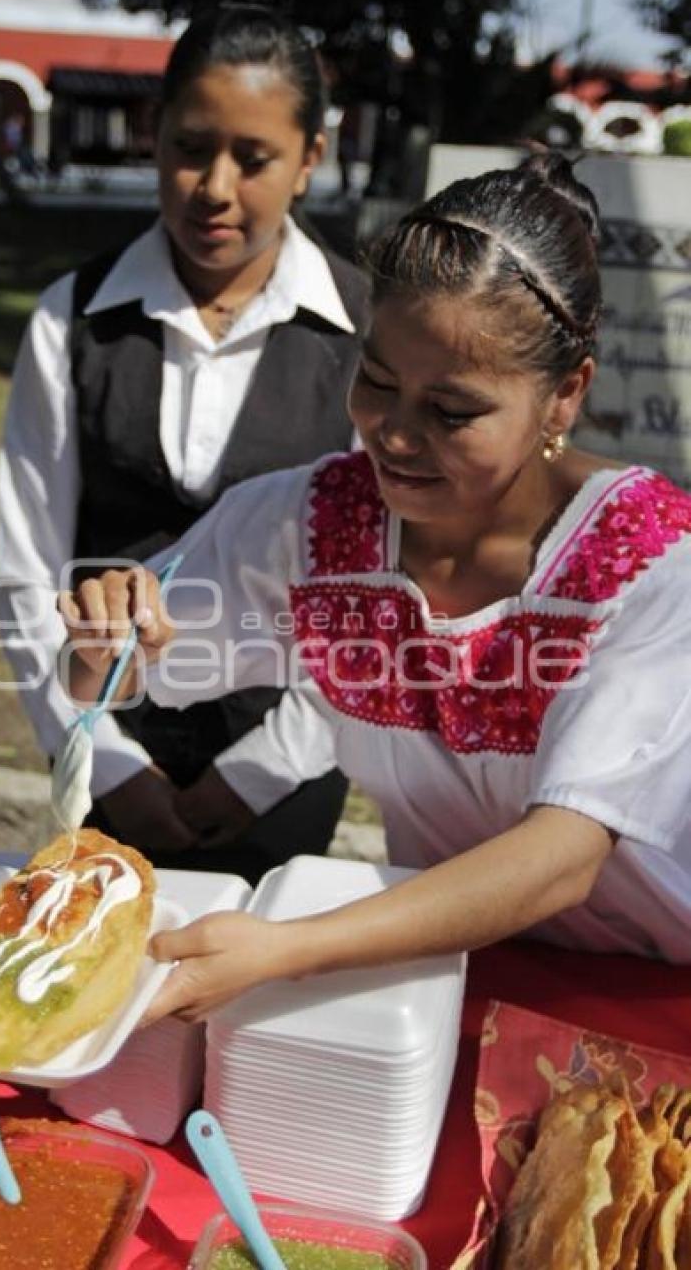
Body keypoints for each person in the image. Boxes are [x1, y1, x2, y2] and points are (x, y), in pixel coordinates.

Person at [59, 151, 691, 1023]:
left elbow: (561, 854)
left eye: (451, 411)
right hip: (441, 969)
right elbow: (115, 677)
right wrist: (100, 642)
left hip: (654, 988)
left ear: (563, 396)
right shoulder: (311, 526)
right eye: (378, 382)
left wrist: (290, 946)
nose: (392, 435)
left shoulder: (652, 564)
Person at [0, 6, 368, 885]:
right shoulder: (72, 319)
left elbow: (379, 593)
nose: (215, 187)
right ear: (154, 135)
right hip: (100, 755)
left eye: (255, 157)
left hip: (290, 768)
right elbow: (26, 568)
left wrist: (259, 773)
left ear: (310, 158)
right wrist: (111, 764)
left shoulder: (368, 338)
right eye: (192, 147)